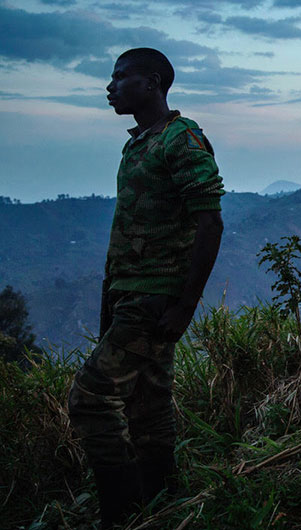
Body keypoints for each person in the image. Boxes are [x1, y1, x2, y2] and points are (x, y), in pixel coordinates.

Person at [67, 48, 224, 527]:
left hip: (154, 298)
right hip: (130, 294)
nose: (110, 87)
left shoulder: (181, 139)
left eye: (120, 77)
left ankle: (121, 507)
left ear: (152, 82)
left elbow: (210, 223)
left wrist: (184, 304)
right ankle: (162, 499)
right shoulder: (142, 143)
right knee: (147, 401)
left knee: (90, 398)